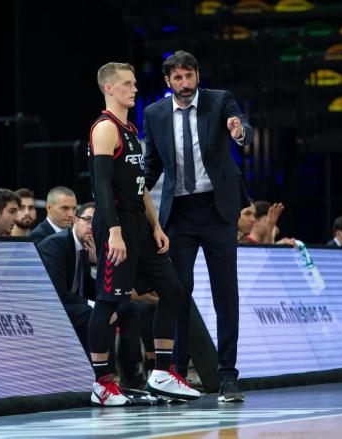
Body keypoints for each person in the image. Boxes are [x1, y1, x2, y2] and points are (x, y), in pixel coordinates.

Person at [87, 61, 200, 406]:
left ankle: (163, 373)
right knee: (108, 302)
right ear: (109, 88)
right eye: (127, 84)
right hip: (115, 223)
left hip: (139, 223)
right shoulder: (104, 129)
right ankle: (102, 383)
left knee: (173, 290)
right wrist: (115, 232)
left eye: (134, 83)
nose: (134, 89)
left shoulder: (131, 129)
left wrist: (155, 226)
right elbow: (101, 186)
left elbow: (142, 187)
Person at [143, 50, 252, 402]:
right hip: (181, 214)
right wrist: (130, 190)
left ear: (197, 76)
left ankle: (228, 376)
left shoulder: (220, 101)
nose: (185, 84)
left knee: (225, 294)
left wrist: (238, 132)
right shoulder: (154, 113)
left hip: (218, 210)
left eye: (189, 76)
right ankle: (175, 372)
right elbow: (152, 165)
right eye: (177, 78)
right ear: (167, 81)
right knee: (177, 292)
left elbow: (240, 125)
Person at [37, 202, 98, 352]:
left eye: (97, 222)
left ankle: (129, 371)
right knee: (91, 313)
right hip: (46, 306)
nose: (92, 226)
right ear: (76, 221)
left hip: (71, 303)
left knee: (124, 309)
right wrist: (95, 305)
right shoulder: (56, 244)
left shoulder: (89, 246)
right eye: (88, 219)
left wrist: (94, 264)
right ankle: (96, 369)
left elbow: (93, 291)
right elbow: (59, 294)